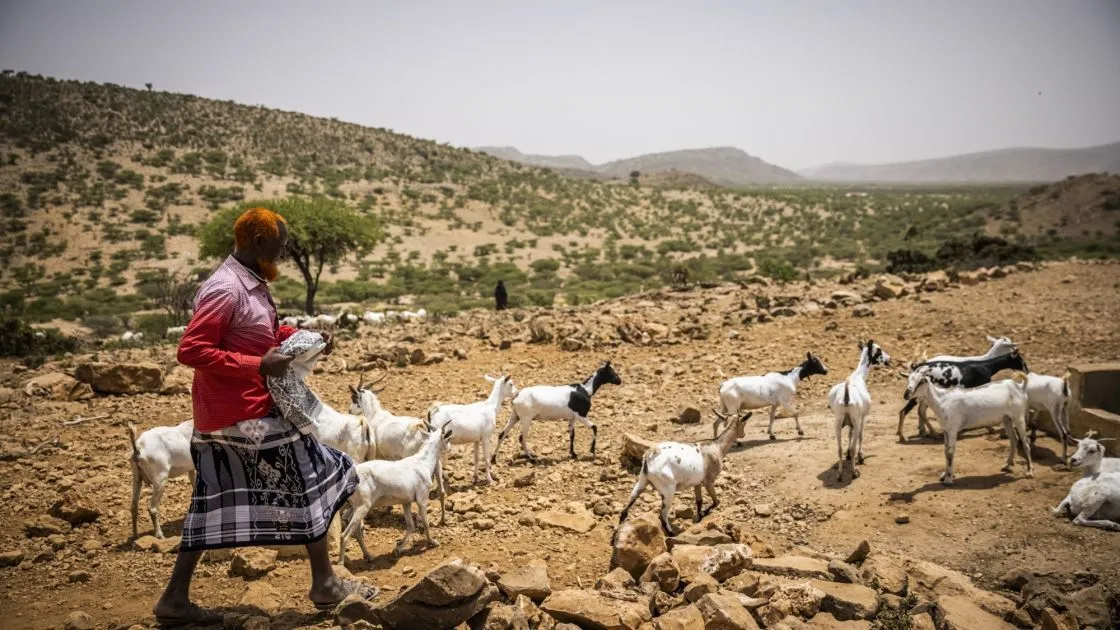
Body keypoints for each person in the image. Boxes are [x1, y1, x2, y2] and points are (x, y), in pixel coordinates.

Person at [153, 207, 374, 625]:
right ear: (259, 243)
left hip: (243, 411)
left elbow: (261, 335)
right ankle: (324, 582)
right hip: (240, 415)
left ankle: (175, 599)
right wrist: (256, 365)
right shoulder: (225, 289)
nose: (283, 252)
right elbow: (192, 350)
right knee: (312, 473)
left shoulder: (250, 283)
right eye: (280, 245)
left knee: (210, 499)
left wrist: (302, 338)